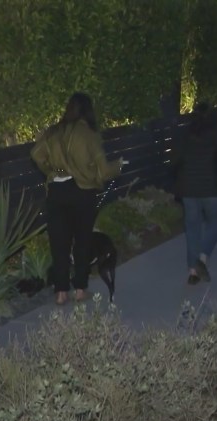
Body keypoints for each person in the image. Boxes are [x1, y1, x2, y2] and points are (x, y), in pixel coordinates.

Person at [30, 92, 124, 305]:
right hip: (82, 192)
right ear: (88, 110)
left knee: (59, 243)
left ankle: (61, 292)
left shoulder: (54, 132)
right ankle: (80, 289)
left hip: (57, 190)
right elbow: (104, 170)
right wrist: (118, 166)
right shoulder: (89, 135)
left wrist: (50, 171)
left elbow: (36, 154)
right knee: (82, 241)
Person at [174, 102, 217, 285]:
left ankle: (192, 271)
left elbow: (177, 159)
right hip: (210, 188)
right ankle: (202, 258)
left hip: (189, 188)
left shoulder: (186, 133)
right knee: (214, 224)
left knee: (192, 228)